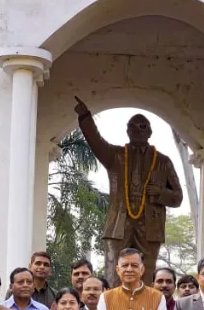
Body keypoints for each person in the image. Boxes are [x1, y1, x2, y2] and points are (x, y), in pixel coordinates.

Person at [74, 97, 184, 283]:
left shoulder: (163, 161)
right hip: (119, 223)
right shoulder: (115, 156)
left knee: (146, 274)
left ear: (150, 132)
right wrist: (85, 117)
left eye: (142, 127)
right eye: (133, 127)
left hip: (150, 225)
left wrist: (160, 192)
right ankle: (112, 302)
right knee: (114, 272)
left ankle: (144, 303)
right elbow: (96, 141)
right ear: (127, 131)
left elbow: (178, 198)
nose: (137, 130)